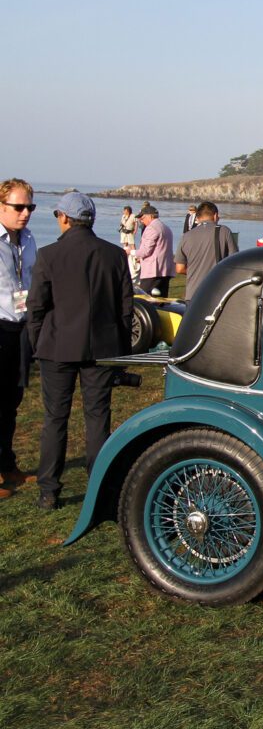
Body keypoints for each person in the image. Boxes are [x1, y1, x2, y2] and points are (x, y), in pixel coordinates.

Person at [27, 192, 132, 510]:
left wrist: (37, 343)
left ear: (64, 218)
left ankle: (49, 490)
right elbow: (125, 309)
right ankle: (99, 487)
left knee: (55, 419)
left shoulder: (48, 255)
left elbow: (36, 307)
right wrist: (122, 354)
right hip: (102, 347)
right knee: (98, 418)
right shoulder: (114, 255)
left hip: (57, 346)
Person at [0, 179, 38, 498]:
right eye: (18, 207)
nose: (25, 213)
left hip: (21, 328)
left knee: (12, 401)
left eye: (30, 207)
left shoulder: (28, 239)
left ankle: (7, 464)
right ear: (1, 207)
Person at [174, 201, 236, 302]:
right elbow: (234, 261)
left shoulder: (186, 236)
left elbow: (179, 268)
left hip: (192, 293)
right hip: (216, 292)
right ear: (215, 216)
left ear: (197, 218)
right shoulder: (224, 231)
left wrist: (195, 271)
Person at [135, 205, 174, 297]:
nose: (141, 221)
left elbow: (145, 251)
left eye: (142, 218)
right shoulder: (166, 228)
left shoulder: (151, 228)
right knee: (162, 300)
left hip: (152, 272)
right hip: (165, 270)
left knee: (145, 299)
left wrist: (132, 252)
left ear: (150, 216)